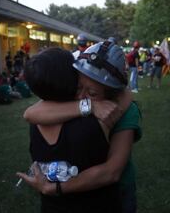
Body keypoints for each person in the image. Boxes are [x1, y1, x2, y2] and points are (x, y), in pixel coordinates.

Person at [19, 41, 142, 213]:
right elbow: (30, 113)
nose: (82, 96)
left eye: (92, 94)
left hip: (119, 191)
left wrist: (56, 189)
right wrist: (89, 105)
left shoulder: (126, 110)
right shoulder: (75, 101)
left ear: (111, 93)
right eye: (78, 87)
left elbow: (112, 171)